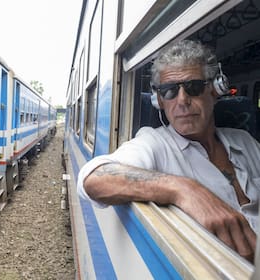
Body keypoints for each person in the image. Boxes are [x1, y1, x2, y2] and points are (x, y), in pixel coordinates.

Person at [77, 40, 260, 262]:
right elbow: (93, 178)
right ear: (159, 101)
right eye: (169, 91)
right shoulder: (154, 144)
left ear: (214, 90)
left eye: (193, 87)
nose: (182, 100)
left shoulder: (245, 141)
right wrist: (183, 188)